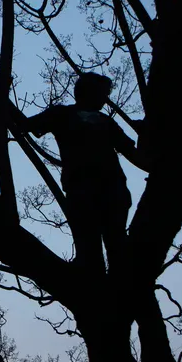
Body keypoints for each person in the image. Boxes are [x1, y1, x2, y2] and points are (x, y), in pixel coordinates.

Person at [23, 73, 149, 273]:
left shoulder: (106, 122)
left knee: (117, 247)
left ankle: (120, 287)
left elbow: (133, 154)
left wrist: (150, 144)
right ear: (89, 92)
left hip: (113, 189)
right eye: (102, 93)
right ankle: (94, 283)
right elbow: (27, 125)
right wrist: (1, 95)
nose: (105, 98)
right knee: (89, 250)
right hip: (81, 188)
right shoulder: (61, 114)